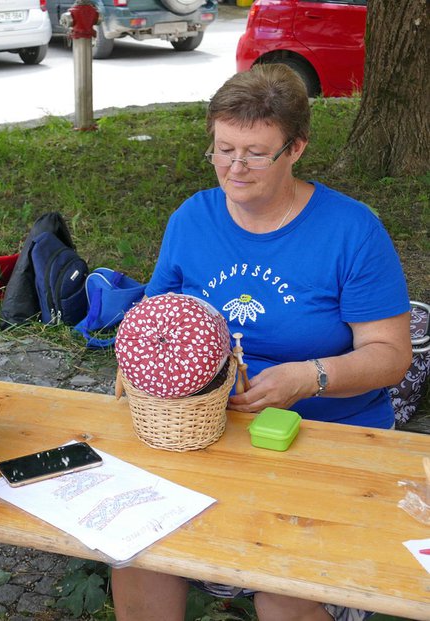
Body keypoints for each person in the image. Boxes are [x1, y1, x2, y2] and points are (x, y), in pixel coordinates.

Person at [112, 64, 411, 621]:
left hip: (328, 435)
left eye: (255, 152)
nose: (235, 167)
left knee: (282, 590)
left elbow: (391, 357)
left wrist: (308, 377)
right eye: (223, 149)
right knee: (136, 554)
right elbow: (157, 320)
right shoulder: (192, 218)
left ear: (295, 148)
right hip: (205, 430)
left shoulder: (352, 230)